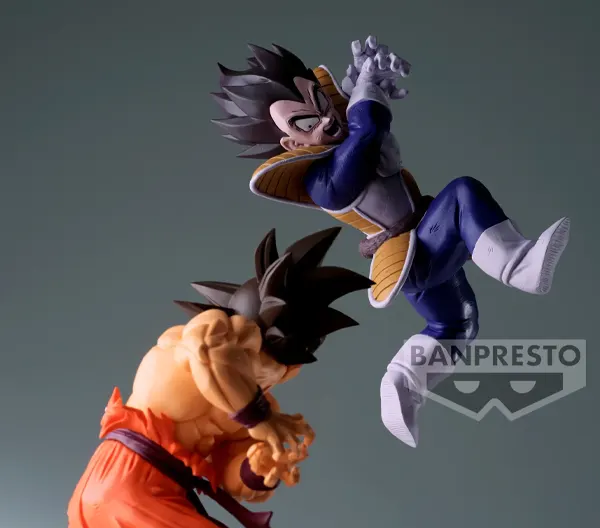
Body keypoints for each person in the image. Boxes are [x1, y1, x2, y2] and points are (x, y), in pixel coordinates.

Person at [212, 36, 571, 448]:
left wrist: (364, 81)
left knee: (456, 324)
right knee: (462, 194)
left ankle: (401, 384)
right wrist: (366, 86)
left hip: (421, 247)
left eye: (321, 103)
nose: (326, 119)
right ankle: (519, 266)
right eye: (307, 123)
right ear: (292, 145)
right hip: (415, 251)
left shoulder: (340, 148)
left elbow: (360, 127)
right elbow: (366, 133)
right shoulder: (323, 182)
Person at [34, 227, 372, 528]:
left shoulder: (255, 403)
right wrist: (261, 420)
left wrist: (259, 466)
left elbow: (230, 474)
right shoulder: (201, 338)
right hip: (131, 483)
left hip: (123, 492)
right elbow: (212, 356)